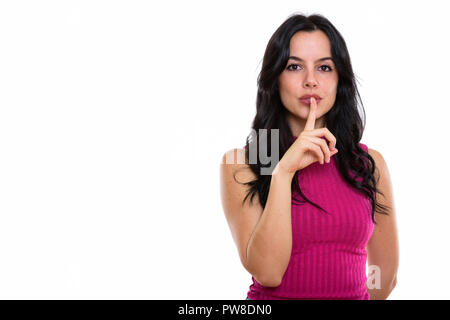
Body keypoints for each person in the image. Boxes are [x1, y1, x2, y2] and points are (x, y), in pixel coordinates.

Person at [219, 13, 399, 300]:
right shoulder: (245, 161)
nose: (311, 81)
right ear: (274, 77)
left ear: (340, 80)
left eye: (325, 68)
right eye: (294, 67)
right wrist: (283, 171)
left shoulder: (368, 163)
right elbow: (268, 272)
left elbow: (383, 274)